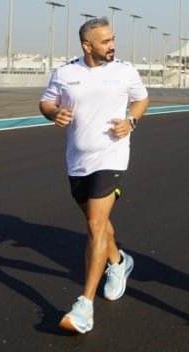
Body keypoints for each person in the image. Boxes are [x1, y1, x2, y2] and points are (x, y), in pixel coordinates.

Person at [39, 17, 149, 334]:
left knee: (95, 225)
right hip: (77, 160)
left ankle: (84, 306)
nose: (112, 45)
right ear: (87, 46)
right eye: (105, 41)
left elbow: (141, 99)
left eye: (113, 39)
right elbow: (46, 102)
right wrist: (53, 113)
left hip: (111, 155)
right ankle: (118, 261)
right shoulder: (65, 73)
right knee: (97, 222)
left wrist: (132, 121)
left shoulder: (125, 71)